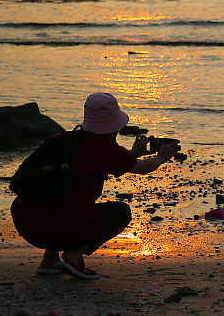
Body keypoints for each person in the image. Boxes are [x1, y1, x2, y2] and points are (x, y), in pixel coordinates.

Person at [10, 92, 180, 279]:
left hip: (27, 223)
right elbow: (144, 168)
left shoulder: (63, 140)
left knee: (58, 193)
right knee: (120, 212)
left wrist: (132, 154)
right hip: (57, 227)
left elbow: (93, 166)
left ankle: (49, 260)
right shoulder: (105, 149)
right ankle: (74, 255)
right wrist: (161, 157)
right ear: (113, 126)